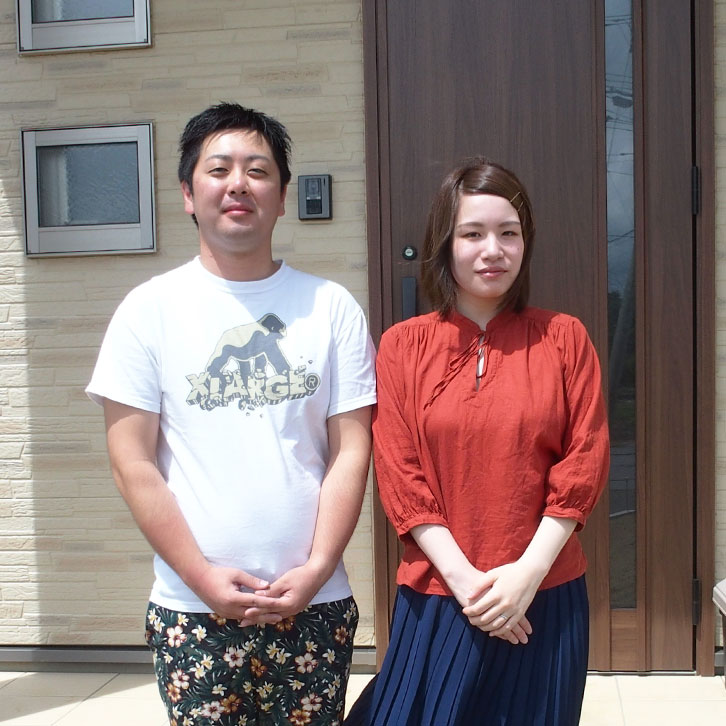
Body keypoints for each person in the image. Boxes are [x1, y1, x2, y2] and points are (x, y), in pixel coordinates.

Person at [87, 102, 376, 726]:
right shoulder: (148, 310)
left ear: (282, 196)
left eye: (258, 171)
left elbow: (352, 452)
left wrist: (316, 569)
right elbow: (132, 463)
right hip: (192, 608)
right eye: (218, 170)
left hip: (315, 603)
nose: (238, 184)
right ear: (188, 194)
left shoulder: (331, 307)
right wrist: (200, 577)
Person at [345, 158, 609, 726]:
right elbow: (401, 474)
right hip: (440, 591)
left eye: (508, 233)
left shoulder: (565, 338)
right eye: (473, 234)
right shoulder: (402, 346)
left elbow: (582, 464)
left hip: (542, 595)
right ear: (445, 243)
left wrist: (525, 577)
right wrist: (473, 588)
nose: (493, 250)